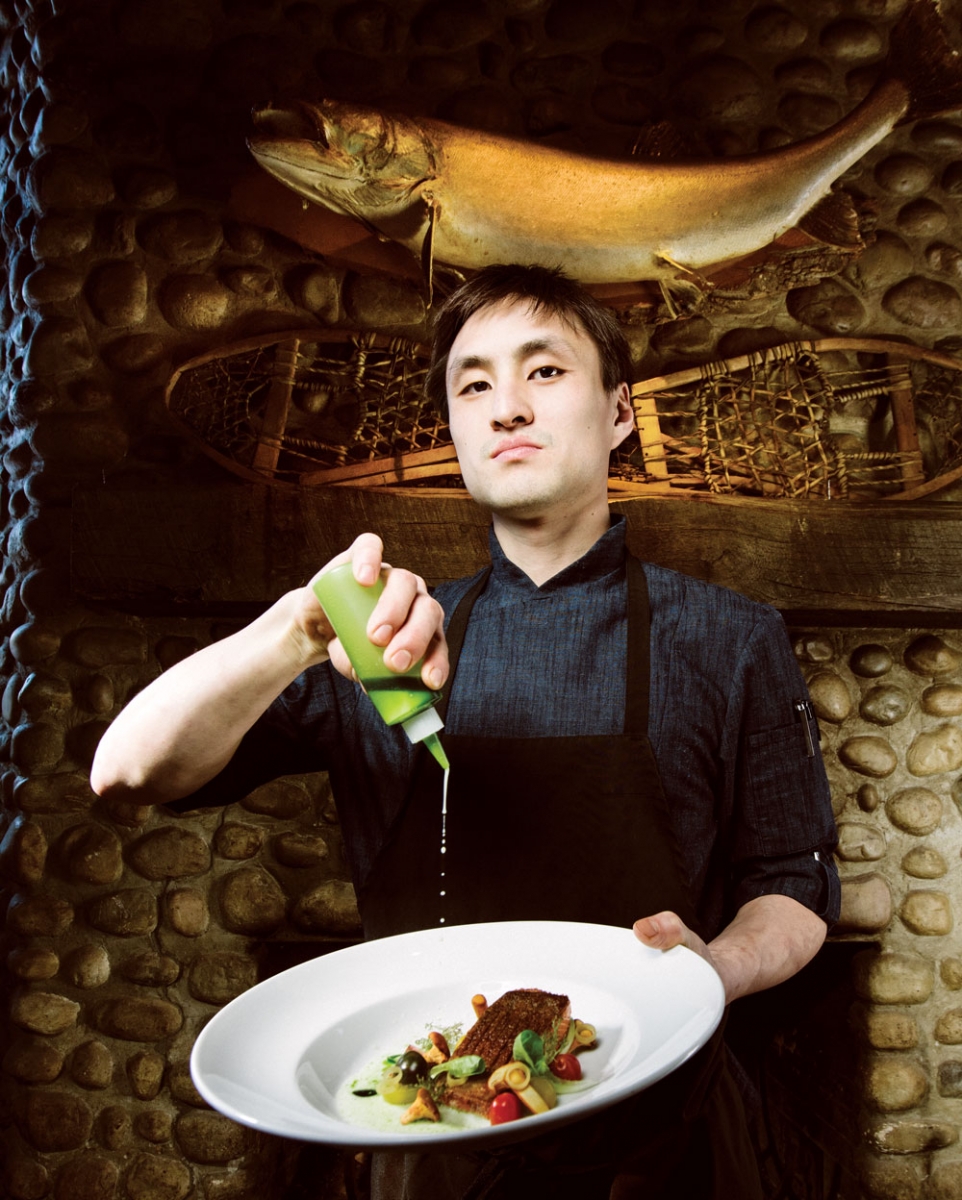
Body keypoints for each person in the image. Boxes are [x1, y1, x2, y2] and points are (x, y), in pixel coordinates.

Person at [92, 263, 839, 1199]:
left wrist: (714, 971)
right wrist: (291, 632)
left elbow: (795, 885)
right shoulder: (380, 644)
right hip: (429, 1137)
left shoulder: (731, 638)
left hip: (664, 1143)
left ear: (618, 414)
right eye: (474, 384)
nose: (507, 407)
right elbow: (125, 773)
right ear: (454, 430)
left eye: (545, 372)